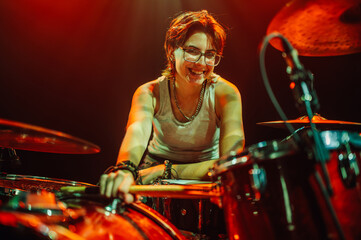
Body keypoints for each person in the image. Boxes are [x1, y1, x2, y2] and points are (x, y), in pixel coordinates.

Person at [99, 10, 245, 204]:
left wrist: (165, 170)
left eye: (210, 54)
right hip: (152, 176)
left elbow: (230, 164)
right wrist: (125, 171)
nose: (202, 63)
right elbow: (136, 134)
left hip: (203, 176)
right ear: (171, 50)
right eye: (192, 51)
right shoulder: (149, 92)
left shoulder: (226, 94)